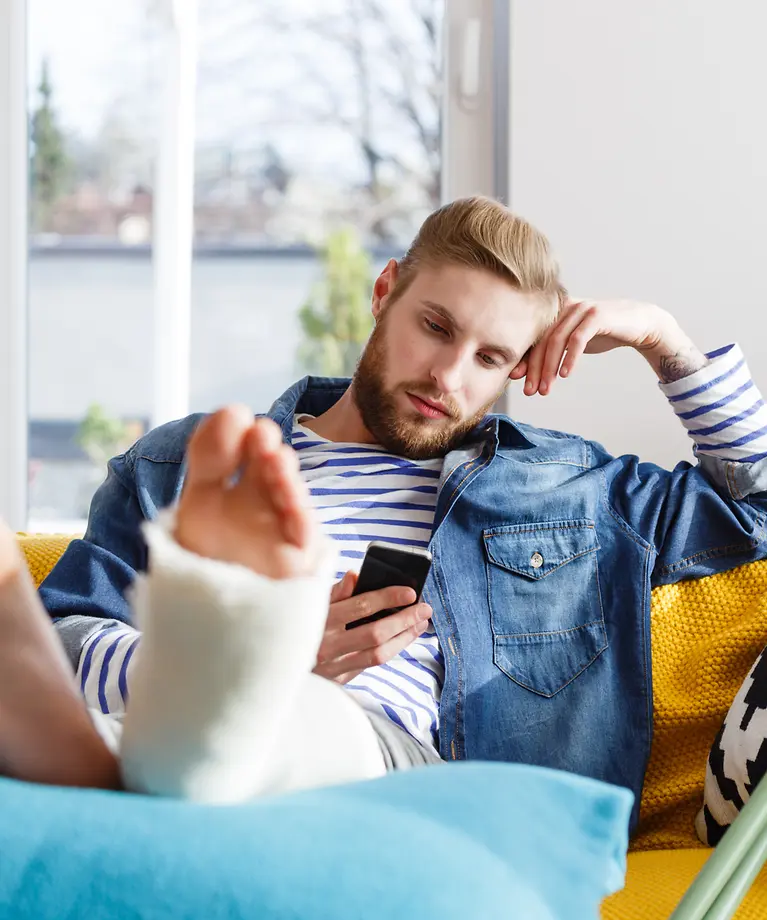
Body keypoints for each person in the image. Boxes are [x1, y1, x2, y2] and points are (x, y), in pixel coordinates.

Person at [1, 197, 766, 827]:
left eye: (489, 358)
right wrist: (276, 657)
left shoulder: (568, 490)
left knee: (294, 723)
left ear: (516, 370)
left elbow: (757, 510)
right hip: (174, 761)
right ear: (383, 292)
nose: (447, 374)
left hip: (413, 791)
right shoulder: (186, 462)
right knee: (84, 732)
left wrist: (666, 342)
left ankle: (225, 690)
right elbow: (65, 638)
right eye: (435, 327)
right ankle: (216, 696)